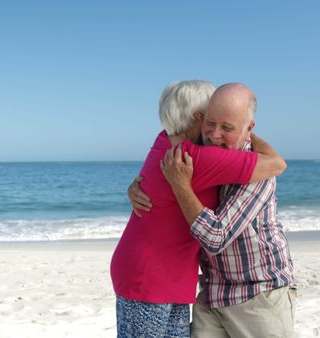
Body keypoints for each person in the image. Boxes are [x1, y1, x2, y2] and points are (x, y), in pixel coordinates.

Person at [111, 80, 287, 337]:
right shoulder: (195, 157)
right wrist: (245, 130)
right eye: (211, 119)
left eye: (225, 124)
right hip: (150, 278)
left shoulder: (163, 141)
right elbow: (277, 164)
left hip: (164, 276)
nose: (215, 132)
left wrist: (246, 129)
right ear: (199, 117)